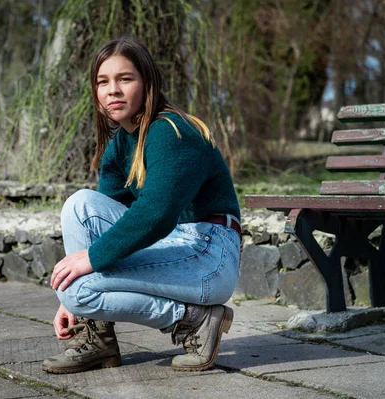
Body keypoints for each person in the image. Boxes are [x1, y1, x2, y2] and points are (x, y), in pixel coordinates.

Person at [42, 37, 241, 374]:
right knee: (80, 206)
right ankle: (95, 335)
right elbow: (100, 222)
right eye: (103, 82)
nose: (113, 90)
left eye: (125, 79)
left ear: (147, 83)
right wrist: (68, 302)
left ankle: (196, 319)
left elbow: (157, 214)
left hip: (209, 255)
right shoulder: (119, 146)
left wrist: (87, 266)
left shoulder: (172, 131)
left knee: (80, 289)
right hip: (176, 245)